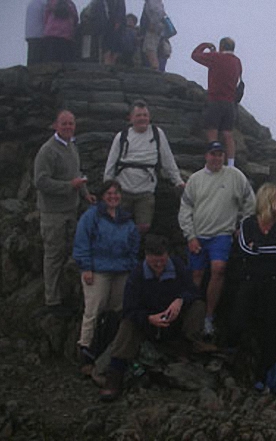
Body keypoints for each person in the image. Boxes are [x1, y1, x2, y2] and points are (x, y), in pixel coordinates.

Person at [98, 235, 207, 401]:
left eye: (162, 260)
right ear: (146, 257)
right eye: (154, 261)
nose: (158, 265)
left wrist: (180, 299)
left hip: (174, 322)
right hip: (148, 324)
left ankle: (187, 347)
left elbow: (193, 291)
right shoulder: (137, 275)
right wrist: (149, 318)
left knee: (198, 306)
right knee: (127, 324)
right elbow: (129, 309)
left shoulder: (177, 266)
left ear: (167, 255)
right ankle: (115, 374)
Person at [178, 141, 255, 337]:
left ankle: (209, 317)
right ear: (206, 156)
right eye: (213, 154)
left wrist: (242, 226)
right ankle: (192, 315)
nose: (216, 158)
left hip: (222, 234)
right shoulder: (195, 179)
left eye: (220, 154)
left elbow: (250, 201)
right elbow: (185, 209)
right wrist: (190, 236)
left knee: (218, 269)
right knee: (195, 276)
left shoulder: (235, 176)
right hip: (198, 235)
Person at [73, 180, 140, 375]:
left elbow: (134, 242)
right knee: (93, 310)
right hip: (97, 270)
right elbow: (82, 240)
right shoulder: (92, 216)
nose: (113, 196)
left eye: (117, 193)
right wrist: (85, 267)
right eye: (109, 193)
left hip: (121, 271)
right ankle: (85, 352)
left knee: (116, 311)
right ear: (103, 195)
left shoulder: (125, 218)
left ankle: (106, 351)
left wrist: (131, 264)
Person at [34, 110, 96, 315]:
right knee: (54, 256)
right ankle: (52, 301)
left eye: (71, 123)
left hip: (71, 210)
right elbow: (41, 182)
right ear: (55, 126)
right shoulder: (47, 151)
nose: (68, 127)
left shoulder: (71, 146)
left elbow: (76, 174)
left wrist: (85, 194)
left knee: (70, 254)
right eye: (64, 124)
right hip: (53, 214)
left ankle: (66, 295)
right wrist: (70, 186)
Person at [229, 183, 276, 384]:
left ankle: (266, 374)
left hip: (273, 283)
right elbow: (244, 250)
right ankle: (236, 368)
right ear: (268, 200)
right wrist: (270, 247)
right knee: (239, 322)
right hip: (249, 281)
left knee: (271, 328)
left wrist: (258, 248)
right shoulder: (248, 223)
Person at [104, 100, 184, 234]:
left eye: (145, 115)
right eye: (139, 115)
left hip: (145, 192)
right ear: (131, 118)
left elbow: (168, 160)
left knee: (144, 227)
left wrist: (178, 181)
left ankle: (137, 250)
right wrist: (107, 189)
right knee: (118, 226)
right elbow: (111, 164)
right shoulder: (122, 137)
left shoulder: (157, 134)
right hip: (123, 191)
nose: (142, 118)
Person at [191, 37, 242, 167]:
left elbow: (195, 55)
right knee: (228, 134)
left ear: (221, 46)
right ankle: (231, 164)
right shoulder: (237, 61)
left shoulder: (216, 58)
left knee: (212, 131)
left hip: (215, 100)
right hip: (230, 102)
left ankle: (213, 158)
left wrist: (204, 45)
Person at [140, 0, 166, 70]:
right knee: (149, 47)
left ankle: (155, 66)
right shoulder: (156, 2)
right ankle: (154, 66)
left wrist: (153, 23)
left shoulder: (152, 1)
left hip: (153, 28)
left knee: (150, 47)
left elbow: (157, 12)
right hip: (156, 28)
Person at [101, 0, 126, 65]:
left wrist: (118, 22)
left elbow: (121, 12)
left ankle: (111, 64)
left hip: (114, 27)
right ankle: (108, 63)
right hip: (107, 26)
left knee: (114, 47)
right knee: (107, 47)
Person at [25, 0, 47, 66]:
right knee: (39, 59)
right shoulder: (44, 4)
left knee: (31, 57)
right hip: (40, 34)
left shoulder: (31, 4)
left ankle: (29, 73)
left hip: (30, 34)